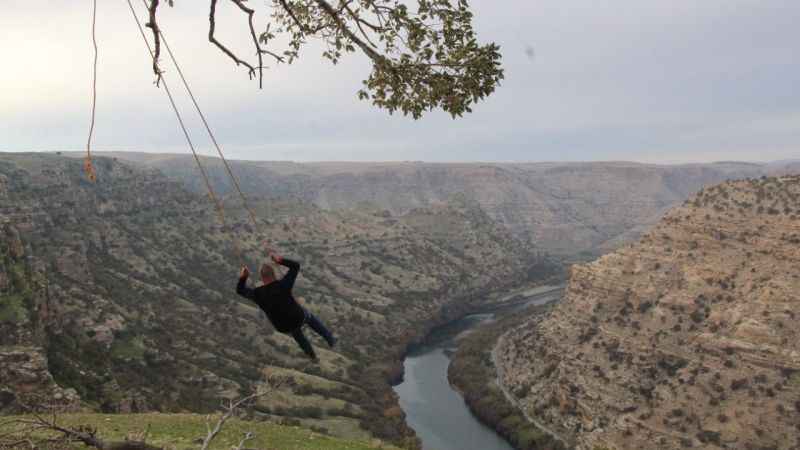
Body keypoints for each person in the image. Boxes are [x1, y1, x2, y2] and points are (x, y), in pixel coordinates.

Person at [237, 252, 336, 361]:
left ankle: (311, 355)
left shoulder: (258, 294)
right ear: (273, 273)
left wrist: (243, 277)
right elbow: (296, 266)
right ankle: (330, 339)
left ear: (262, 277)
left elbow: (240, 290)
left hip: (282, 327)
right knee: (309, 316)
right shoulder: (283, 284)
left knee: (295, 331)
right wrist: (280, 260)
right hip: (297, 318)